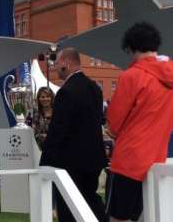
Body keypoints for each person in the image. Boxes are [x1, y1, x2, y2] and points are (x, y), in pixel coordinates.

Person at [106, 22, 173, 222]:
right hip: (157, 158)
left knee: (117, 217)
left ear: (131, 47)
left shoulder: (132, 76)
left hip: (129, 159)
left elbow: (114, 123)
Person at [40, 48, 108, 222]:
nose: (54, 68)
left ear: (65, 63)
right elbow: (98, 120)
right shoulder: (95, 87)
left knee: (69, 206)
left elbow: (59, 130)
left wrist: (45, 161)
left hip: (72, 162)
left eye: (56, 64)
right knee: (90, 200)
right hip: (94, 158)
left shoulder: (66, 91)